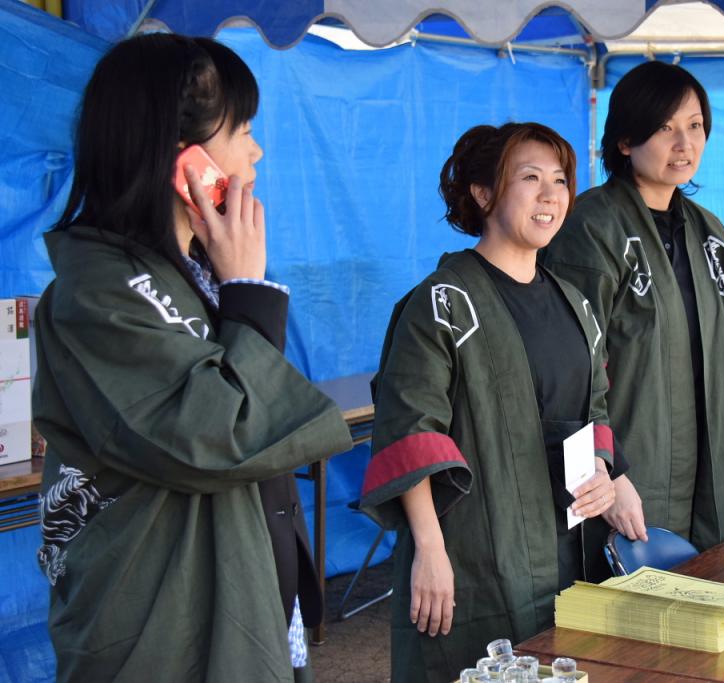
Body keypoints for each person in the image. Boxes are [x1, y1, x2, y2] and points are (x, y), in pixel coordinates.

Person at [31, 34, 352, 682]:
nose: (257, 149)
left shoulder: (195, 272)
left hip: (244, 594)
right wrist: (250, 297)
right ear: (185, 161)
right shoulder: (99, 293)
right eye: (243, 129)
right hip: (159, 621)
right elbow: (222, 431)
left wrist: (238, 290)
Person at [360, 122, 623, 682]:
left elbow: (595, 408)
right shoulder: (443, 302)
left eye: (560, 180)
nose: (550, 194)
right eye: (529, 178)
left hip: (569, 547)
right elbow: (409, 431)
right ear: (483, 194)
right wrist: (430, 551)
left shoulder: (575, 304)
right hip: (475, 552)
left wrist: (603, 470)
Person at [542, 61, 724, 552]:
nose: (684, 144)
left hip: (708, 479)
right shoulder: (592, 229)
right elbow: (566, 371)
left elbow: (720, 365)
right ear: (625, 140)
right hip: (627, 484)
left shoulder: (711, 236)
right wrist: (604, 476)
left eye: (695, 126)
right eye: (665, 128)